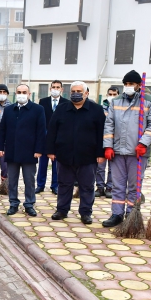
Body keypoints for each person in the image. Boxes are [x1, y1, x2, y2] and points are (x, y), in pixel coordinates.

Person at [102, 70, 151, 227]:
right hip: (118, 151)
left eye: (131, 84)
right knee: (117, 185)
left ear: (139, 85)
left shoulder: (150, 102)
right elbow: (109, 125)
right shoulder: (116, 101)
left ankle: (131, 214)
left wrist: (143, 143)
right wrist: (108, 146)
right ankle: (117, 214)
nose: (128, 87)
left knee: (135, 186)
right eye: (126, 84)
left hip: (138, 152)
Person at [46, 82, 105, 224]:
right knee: (64, 184)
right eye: (73, 91)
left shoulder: (96, 110)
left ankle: (85, 213)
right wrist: (50, 150)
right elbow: (52, 131)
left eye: (79, 91)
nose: (76, 93)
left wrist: (100, 153)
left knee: (87, 185)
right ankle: (62, 210)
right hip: (64, 155)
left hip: (88, 156)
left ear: (86, 93)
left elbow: (101, 133)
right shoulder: (61, 109)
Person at [0, 84, 46, 217]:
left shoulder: (38, 109)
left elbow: (41, 131)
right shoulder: (9, 110)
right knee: (12, 180)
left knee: (29, 180)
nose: (21, 94)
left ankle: (29, 204)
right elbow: (2, 130)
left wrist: (39, 149)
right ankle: (13, 203)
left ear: (29, 94)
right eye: (19, 92)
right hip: (12, 150)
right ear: (15, 94)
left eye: (24, 92)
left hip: (30, 151)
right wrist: (0, 147)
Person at [36, 80, 67, 195]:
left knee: (56, 164)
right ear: (50, 89)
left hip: (59, 137)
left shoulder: (65, 103)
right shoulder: (43, 102)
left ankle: (55, 185)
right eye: (53, 87)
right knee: (43, 163)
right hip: (45, 136)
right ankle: (40, 185)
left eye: (58, 87)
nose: (55, 89)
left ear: (62, 89)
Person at [96, 86, 120, 198]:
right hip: (102, 139)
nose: (112, 96)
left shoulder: (120, 108)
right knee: (100, 166)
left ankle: (110, 187)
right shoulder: (100, 108)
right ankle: (100, 187)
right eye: (110, 94)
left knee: (112, 166)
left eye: (114, 94)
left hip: (115, 140)